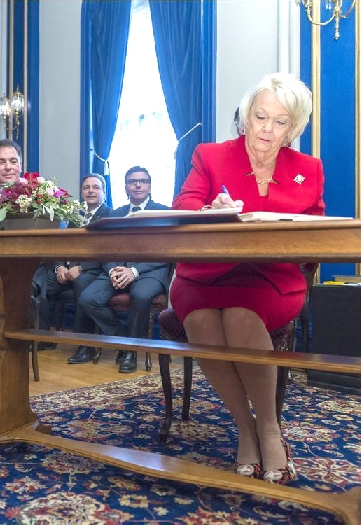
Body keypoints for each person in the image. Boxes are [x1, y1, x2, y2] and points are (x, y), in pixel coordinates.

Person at [170, 73, 323, 484]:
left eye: (280, 122)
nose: (267, 130)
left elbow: (316, 230)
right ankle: (245, 428)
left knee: (240, 316)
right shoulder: (210, 155)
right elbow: (183, 204)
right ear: (245, 116)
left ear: (293, 129)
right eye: (260, 117)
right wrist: (210, 211)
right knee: (202, 320)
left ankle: (269, 429)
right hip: (204, 273)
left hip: (271, 277)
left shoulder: (308, 169)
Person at [78, 166, 170, 373]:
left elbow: (165, 249)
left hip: (149, 271)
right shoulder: (115, 213)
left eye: (143, 181)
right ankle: (122, 337)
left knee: (141, 295)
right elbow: (104, 248)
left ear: (149, 186)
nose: (138, 185)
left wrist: (134, 271)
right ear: (126, 187)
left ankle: (130, 351)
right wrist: (111, 270)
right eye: (132, 182)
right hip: (116, 268)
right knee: (87, 298)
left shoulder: (162, 210)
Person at [39, 174, 112, 364]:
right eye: (86, 187)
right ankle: (44, 336)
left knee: (81, 283)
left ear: (104, 192)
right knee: (43, 281)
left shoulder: (110, 216)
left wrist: (81, 267)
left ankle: (85, 345)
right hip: (68, 269)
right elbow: (63, 246)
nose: (90, 191)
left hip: (95, 271)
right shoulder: (74, 215)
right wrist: (59, 266)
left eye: (95, 187)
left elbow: (108, 250)